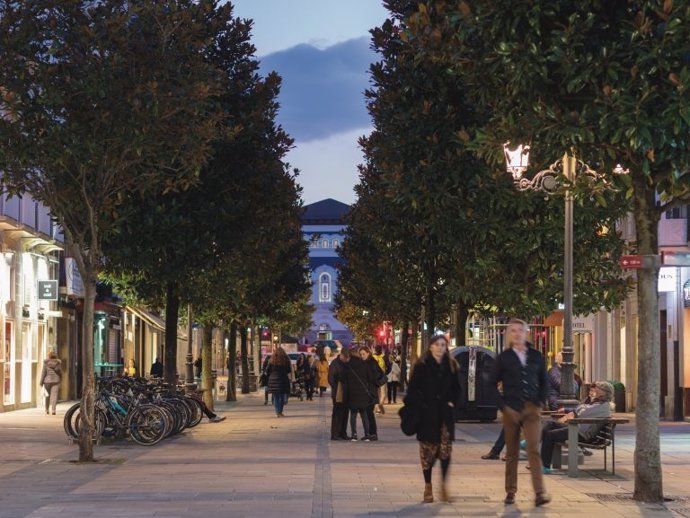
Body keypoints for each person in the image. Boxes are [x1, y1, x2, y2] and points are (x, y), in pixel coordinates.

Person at [491, 318, 551, 507]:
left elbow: (544, 381)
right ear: (509, 334)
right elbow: (490, 384)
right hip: (511, 409)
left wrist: (540, 402)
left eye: (521, 330)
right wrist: (503, 406)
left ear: (526, 333)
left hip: (531, 408)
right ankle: (510, 491)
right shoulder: (504, 357)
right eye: (514, 330)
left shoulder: (536, 356)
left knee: (533, 448)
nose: (517, 334)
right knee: (512, 452)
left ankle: (540, 493)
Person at [405, 335, 460, 503]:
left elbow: (457, 388)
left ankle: (443, 485)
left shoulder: (452, 366)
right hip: (427, 415)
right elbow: (412, 390)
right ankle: (428, 485)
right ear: (430, 347)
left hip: (444, 414)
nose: (440, 348)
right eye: (437, 344)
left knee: (445, 450)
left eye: (443, 345)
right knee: (427, 452)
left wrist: (452, 402)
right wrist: (421, 405)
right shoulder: (421, 366)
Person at [540, 381, 614, 471]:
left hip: (581, 433)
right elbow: (580, 409)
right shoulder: (595, 402)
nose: (595, 390)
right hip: (577, 429)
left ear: (604, 392)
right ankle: (533, 443)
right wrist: (584, 405)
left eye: (598, 388)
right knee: (550, 424)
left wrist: (583, 406)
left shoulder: (603, 406)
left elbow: (581, 412)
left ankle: (545, 466)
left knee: (550, 435)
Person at [344, 346, 376, 441]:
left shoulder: (348, 366)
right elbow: (371, 378)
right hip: (363, 394)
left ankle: (354, 434)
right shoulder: (364, 365)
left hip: (352, 394)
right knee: (364, 414)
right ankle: (367, 434)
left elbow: (343, 379)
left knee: (353, 415)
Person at [358, 345, 383, 439]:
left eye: (363, 354)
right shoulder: (367, 363)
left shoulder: (371, 363)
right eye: (360, 354)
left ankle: (372, 433)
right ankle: (370, 433)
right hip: (367, 391)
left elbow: (377, 375)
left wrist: (373, 382)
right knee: (368, 413)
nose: (362, 356)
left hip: (371, 392)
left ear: (368, 353)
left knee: (369, 413)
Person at [328, 348, 351, 440]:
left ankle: (343, 433)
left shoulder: (346, 364)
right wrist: (336, 387)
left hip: (346, 393)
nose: (346, 360)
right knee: (337, 413)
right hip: (337, 393)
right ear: (341, 355)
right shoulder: (335, 363)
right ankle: (335, 434)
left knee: (345, 413)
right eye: (345, 358)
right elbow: (331, 378)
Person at [266, 348, 292, 417]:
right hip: (283, 379)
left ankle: (277, 412)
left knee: (275, 396)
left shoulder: (272, 360)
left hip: (273, 379)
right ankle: (280, 412)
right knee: (281, 396)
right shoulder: (285, 360)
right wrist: (290, 379)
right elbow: (288, 370)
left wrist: (271, 375)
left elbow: (267, 370)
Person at [40, 350, 62, 415]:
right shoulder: (58, 363)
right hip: (56, 381)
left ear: (49, 356)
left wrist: (41, 382)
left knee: (47, 396)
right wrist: (60, 378)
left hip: (47, 381)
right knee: (54, 396)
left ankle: (46, 410)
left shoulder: (46, 363)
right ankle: (53, 410)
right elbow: (60, 371)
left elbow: (43, 373)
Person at [372, 345, 387, 414]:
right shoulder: (383, 357)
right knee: (383, 394)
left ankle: (377, 408)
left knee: (377, 394)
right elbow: (389, 366)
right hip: (382, 377)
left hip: (374, 378)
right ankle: (380, 404)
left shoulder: (372, 357)